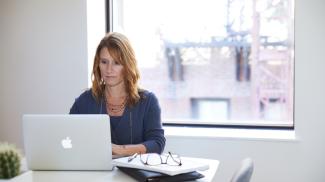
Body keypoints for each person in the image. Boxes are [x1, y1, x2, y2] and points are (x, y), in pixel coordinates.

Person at [69, 32, 165, 156]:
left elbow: (157, 144)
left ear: (127, 65)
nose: (109, 69)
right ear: (98, 65)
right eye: (104, 62)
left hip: (134, 175)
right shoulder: (84, 101)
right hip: (94, 174)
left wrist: (119, 149)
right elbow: (68, 138)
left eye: (116, 63)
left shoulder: (148, 101)